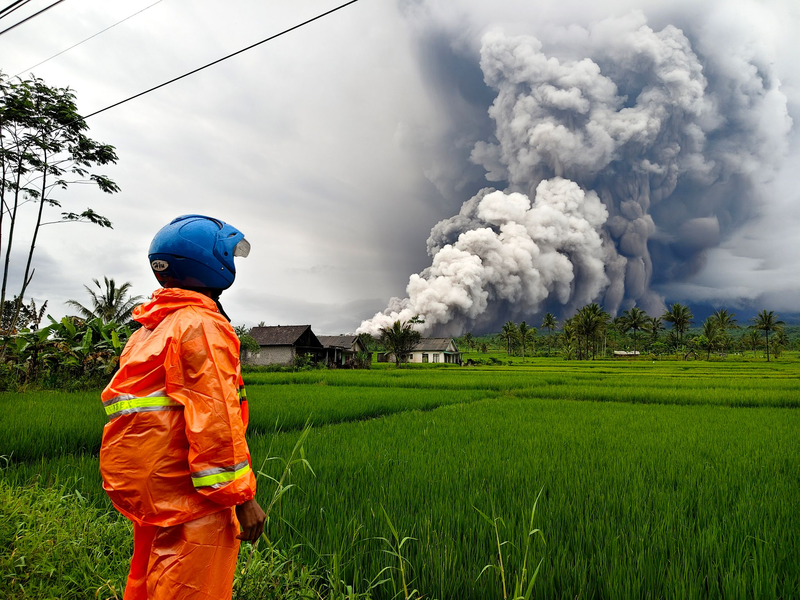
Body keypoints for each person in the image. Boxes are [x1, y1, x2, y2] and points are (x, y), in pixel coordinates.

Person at [99, 214, 266, 600]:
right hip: (195, 498)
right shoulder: (200, 326)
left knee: (149, 581)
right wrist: (242, 498)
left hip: (157, 490)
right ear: (212, 264)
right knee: (192, 588)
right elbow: (215, 421)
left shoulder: (149, 329)